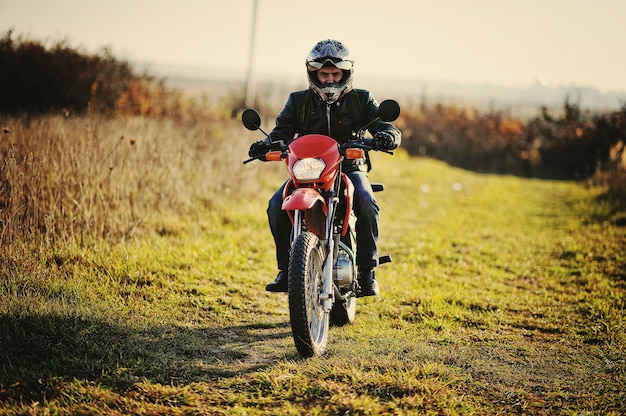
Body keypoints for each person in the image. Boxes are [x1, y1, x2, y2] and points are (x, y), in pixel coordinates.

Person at [248, 39, 401, 296]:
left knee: (365, 201)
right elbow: (281, 133)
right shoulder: (298, 101)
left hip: (349, 166)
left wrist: (388, 136)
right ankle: (287, 270)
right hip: (308, 170)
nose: (330, 80)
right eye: (324, 74)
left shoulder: (361, 99)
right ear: (314, 74)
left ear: (345, 73)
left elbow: (385, 126)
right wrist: (264, 145)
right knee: (276, 204)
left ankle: (366, 272)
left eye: (335, 74)